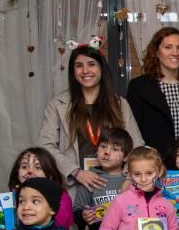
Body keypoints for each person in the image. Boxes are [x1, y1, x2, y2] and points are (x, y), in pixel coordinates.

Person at [38, 43, 143, 199]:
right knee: (78, 220)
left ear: (101, 68)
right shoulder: (58, 105)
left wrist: (128, 178)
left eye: (91, 64)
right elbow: (45, 145)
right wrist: (76, 172)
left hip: (115, 184)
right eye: (79, 66)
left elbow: (136, 145)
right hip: (75, 183)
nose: (85, 71)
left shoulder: (119, 104)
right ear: (73, 72)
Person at [126, 27, 179, 157]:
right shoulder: (138, 86)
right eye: (168, 47)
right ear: (156, 52)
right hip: (153, 161)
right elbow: (134, 131)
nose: (175, 52)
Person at [8, 148, 74, 230]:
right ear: (17, 173)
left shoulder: (61, 197)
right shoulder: (11, 198)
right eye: (24, 167)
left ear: (50, 175)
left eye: (38, 167)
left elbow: (59, 228)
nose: (30, 171)